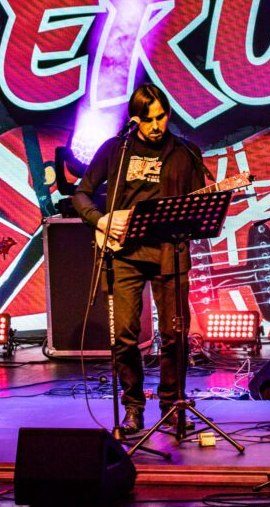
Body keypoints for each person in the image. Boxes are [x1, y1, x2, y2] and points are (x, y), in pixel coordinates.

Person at [72, 84, 208, 434]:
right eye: (148, 120)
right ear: (135, 119)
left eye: (161, 117)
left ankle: (172, 405)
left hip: (169, 253)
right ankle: (133, 406)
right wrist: (100, 220)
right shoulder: (116, 149)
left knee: (175, 335)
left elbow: (199, 205)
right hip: (124, 254)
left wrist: (208, 207)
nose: (156, 125)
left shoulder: (186, 152)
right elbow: (81, 194)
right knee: (124, 336)